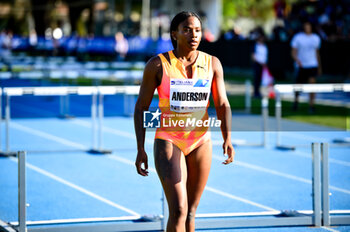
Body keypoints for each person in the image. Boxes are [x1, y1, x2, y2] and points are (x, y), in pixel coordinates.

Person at [134, 11, 235, 232]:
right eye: (187, 29)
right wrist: (140, 148)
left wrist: (227, 137)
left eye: (197, 30)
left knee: (190, 212)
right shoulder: (157, 65)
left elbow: (222, 104)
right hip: (169, 139)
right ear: (174, 34)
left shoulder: (212, 63)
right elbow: (141, 107)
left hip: (200, 141)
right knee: (178, 210)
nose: (193, 34)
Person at [291, 21, 322, 113]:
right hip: (301, 65)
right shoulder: (298, 37)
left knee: (312, 84)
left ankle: (311, 105)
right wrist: (297, 60)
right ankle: (296, 102)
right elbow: (293, 52)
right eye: (306, 26)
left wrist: (319, 67)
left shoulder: (316, 38)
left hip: (312, 64)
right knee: (298, 85)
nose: (307, 28)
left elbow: (317, 53)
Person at [251, 28, 268, 98]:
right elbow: (253, 56)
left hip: (263, 65)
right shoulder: (255, 45)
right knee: (256, 79)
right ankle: (255, 92)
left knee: (261, 79)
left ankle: (258, 92)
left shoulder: (264, 46)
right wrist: (259, 62)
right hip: (257, 64)